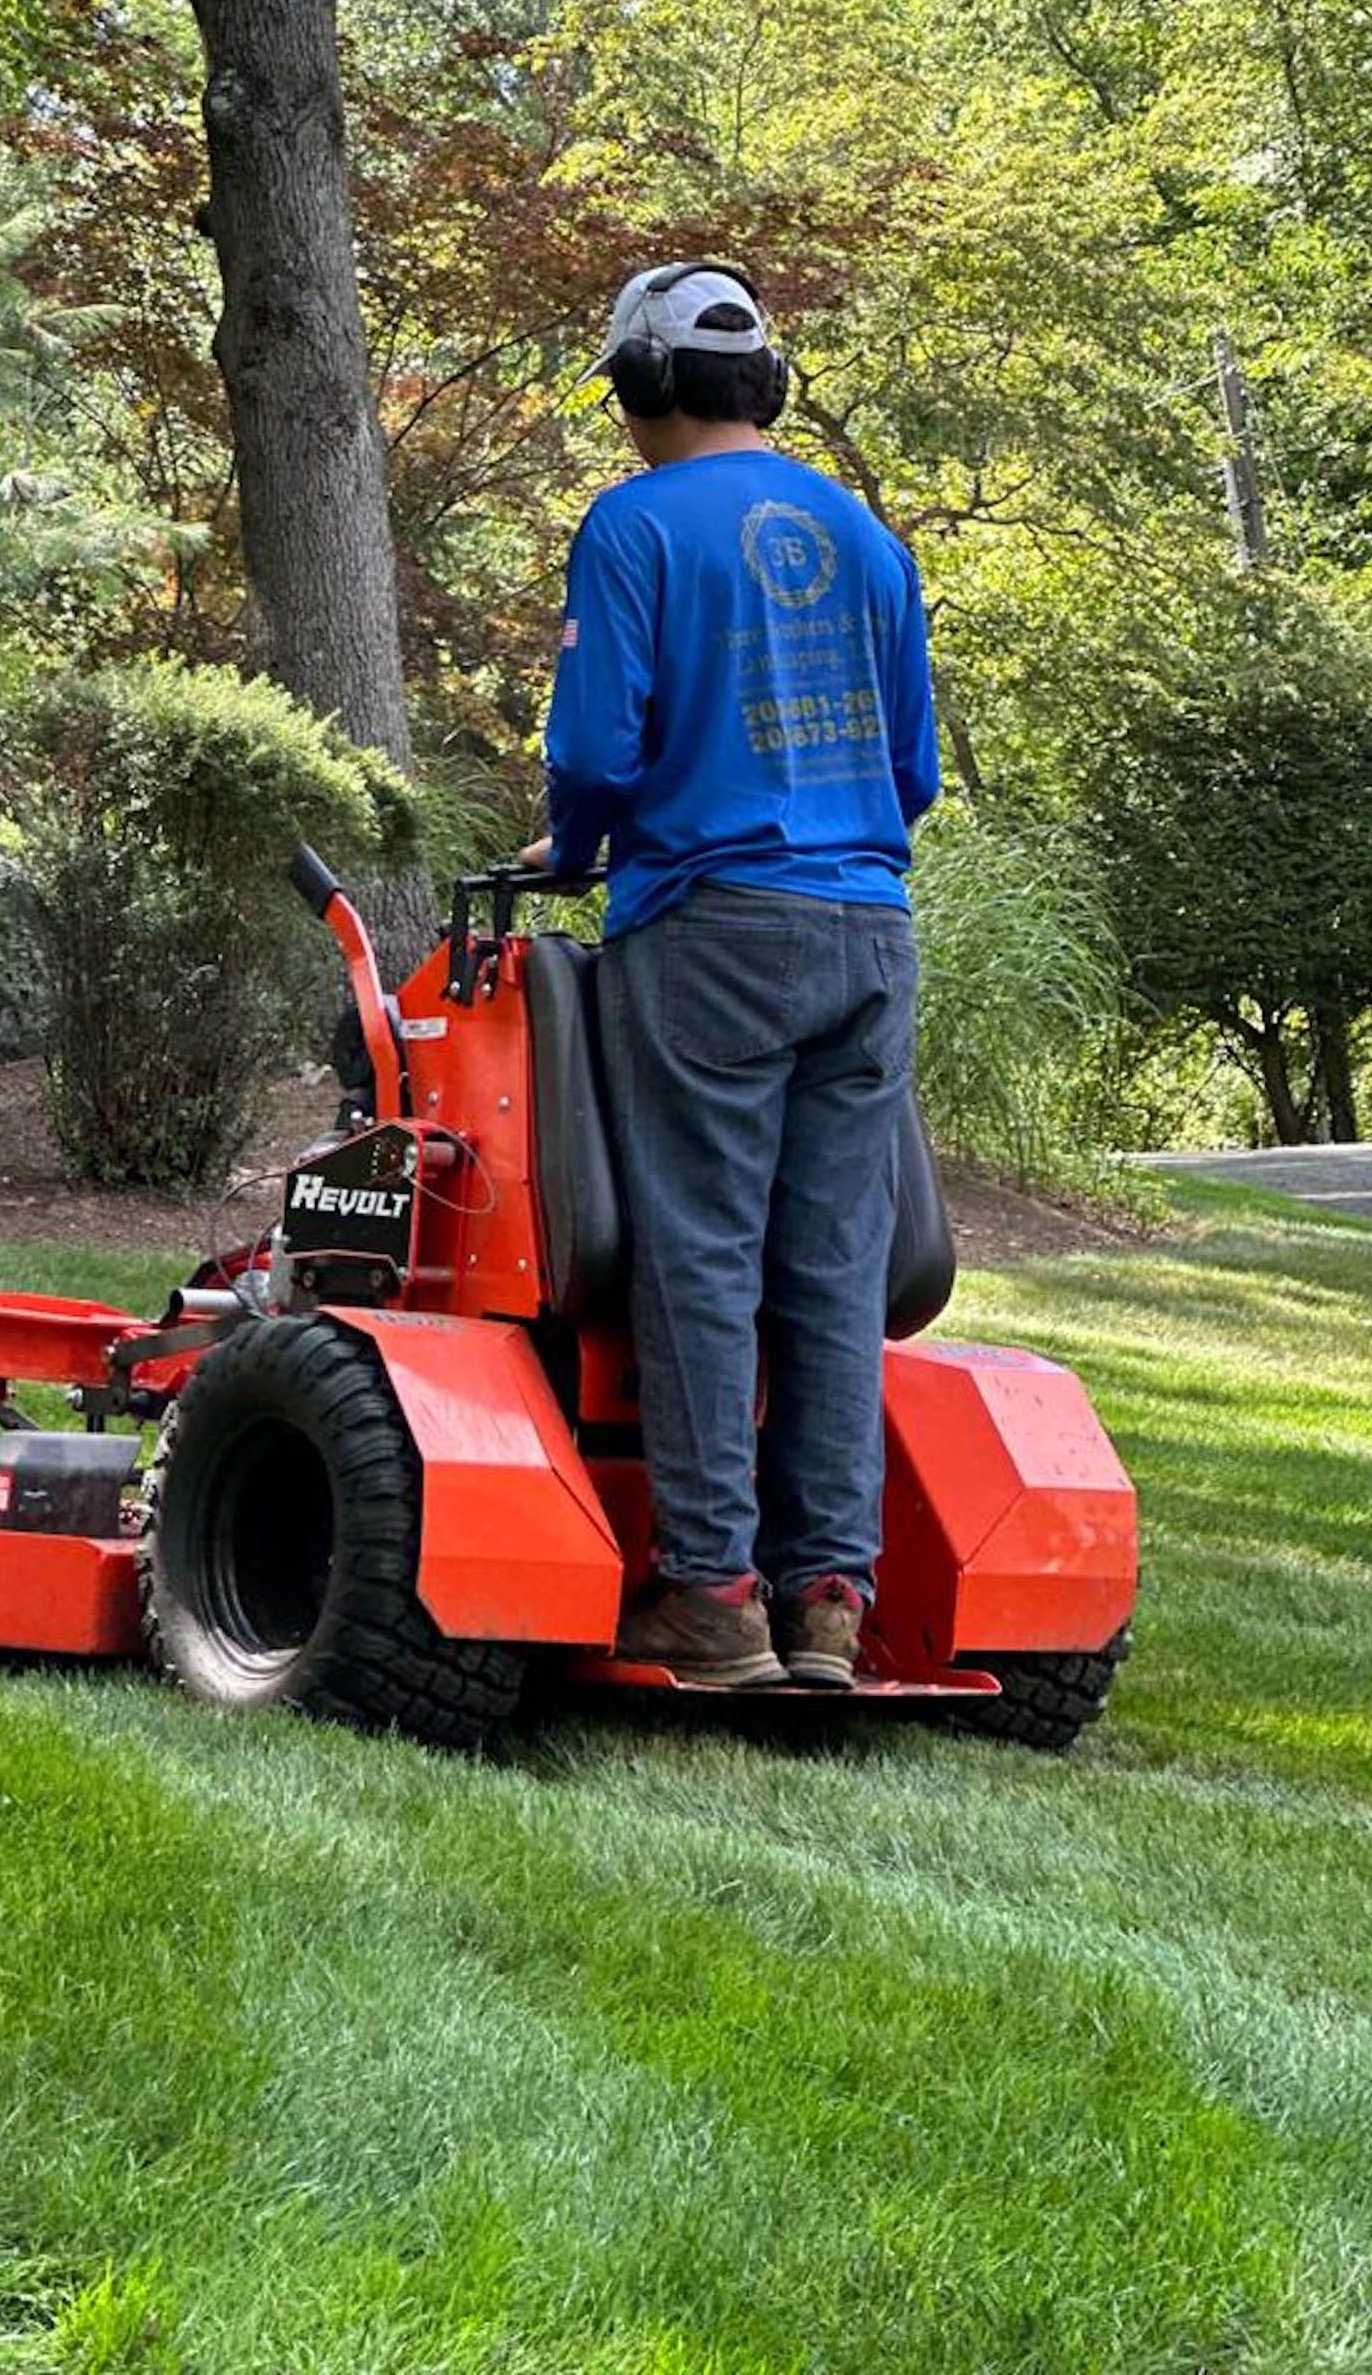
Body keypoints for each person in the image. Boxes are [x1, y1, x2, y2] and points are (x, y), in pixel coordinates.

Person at [524, 261, 940, 1689]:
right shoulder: (868, 543)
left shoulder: (634, 527)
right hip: (868, 934)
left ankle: (710, 1597)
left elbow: (590, 755)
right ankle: (829, 1602)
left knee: (701, 1258)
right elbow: (912, 775)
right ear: (761, 381)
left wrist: (576, 846)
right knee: (831, 1269)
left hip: (710, 926)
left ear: (644, 388)